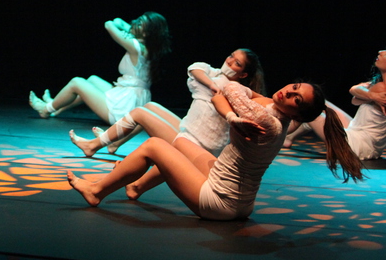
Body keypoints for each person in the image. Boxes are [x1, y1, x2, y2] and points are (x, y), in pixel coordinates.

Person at [68, 80, 364, 221]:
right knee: (183, 146)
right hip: (239, 200)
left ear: (296, 114)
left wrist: (230, 108)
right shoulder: (272, 107)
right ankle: (135, 186)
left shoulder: (269, 122)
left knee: (155, 145)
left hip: (220, 201)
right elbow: (225, 93)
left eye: (296, 99)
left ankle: (96, 191)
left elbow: (228, 89)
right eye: (294, 87)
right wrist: (232, 117)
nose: (288, 91)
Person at [72, 48, 265, 157]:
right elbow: (195, 69)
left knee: (140, 114)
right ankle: (114, 144)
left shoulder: (232, 88)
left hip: (197, 145)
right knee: (150, 107)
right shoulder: (215, 76)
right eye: (231, 56)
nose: (230, 62)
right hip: (191, 132)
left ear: (243, 74)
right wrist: (211, 84)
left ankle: (93, 145)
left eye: (237, 63)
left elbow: (195, 72)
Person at [29, 12, 172, 124]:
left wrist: (127, 31)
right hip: (129, 97)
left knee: (77, 83)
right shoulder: (148, 47)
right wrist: (131, 31)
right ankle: (55, 107)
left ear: (146, 33)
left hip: (123, 108)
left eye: (140, 24)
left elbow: (109, 24)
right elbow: (118, 21)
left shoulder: (135, 46)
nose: (135, 23)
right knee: (92, 80)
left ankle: (45, 109)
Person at [286, 50, 386, 160]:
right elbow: (354, 92)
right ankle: (288, 138)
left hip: (357, 146)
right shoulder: (377, 84)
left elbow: (356, 98)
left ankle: (279, 135)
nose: (380, 52)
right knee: (322, 103)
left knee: (311, 108)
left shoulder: (381, 87)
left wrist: (368, 95)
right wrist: (372, 95)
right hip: (361, 138)